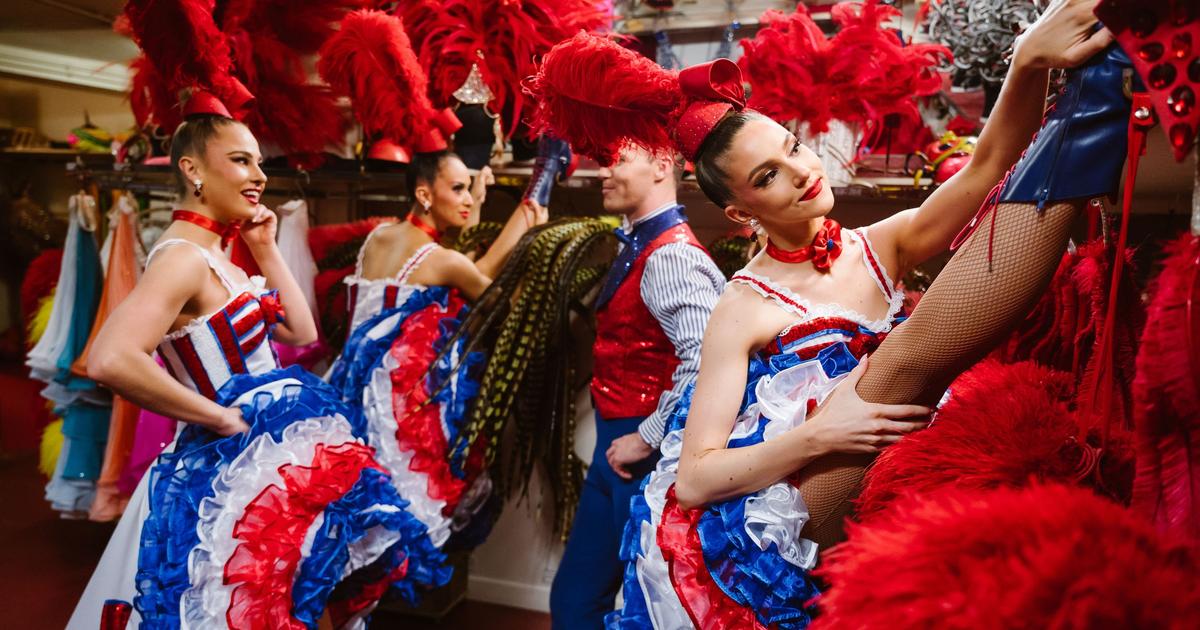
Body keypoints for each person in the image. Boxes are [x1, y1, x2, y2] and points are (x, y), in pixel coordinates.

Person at [527, 0, 1118, 626]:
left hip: (886, 477)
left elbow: (988, 162)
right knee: (906, 367)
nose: (804, 172)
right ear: (740, 213)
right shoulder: (742, 304)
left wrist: (1026, 63)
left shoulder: (880, 244)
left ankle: (1093, 97)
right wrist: (819, 434)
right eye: (769, 175)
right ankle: (1096, 109)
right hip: (776, 518)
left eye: (793, 147)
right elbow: (696, 480)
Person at [67, 96, 427, 629]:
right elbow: (110, 357)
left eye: (258, 161)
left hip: (269, 467)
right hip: (222, 475)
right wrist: (217, 417)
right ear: (191, 170)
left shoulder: (221, 258)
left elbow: (302, 333)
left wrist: (265, 247)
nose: (259, 174)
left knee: (296, 601)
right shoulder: (182, 258)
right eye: (241, 160)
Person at [326, 148, 548, 597]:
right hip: (402, 408)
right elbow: (490, 294)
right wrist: (530, 230)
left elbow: (460, 268)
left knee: (353, 511)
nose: (467, 199)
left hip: (352, 389)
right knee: (402, 511)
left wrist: (484, 204)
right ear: (425, 194)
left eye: (470, 188)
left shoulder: (380, 237)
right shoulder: (439, 260)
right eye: (458, 189)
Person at [548, 146, 724, 628]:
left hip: (647, 456)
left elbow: (709, 360)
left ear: (663, 167)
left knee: (640, 606)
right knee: (575, 598)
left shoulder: (670, 254)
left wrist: (646, 436)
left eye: (618, 160)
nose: (604, 171)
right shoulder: (643, 244)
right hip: (618, 448)